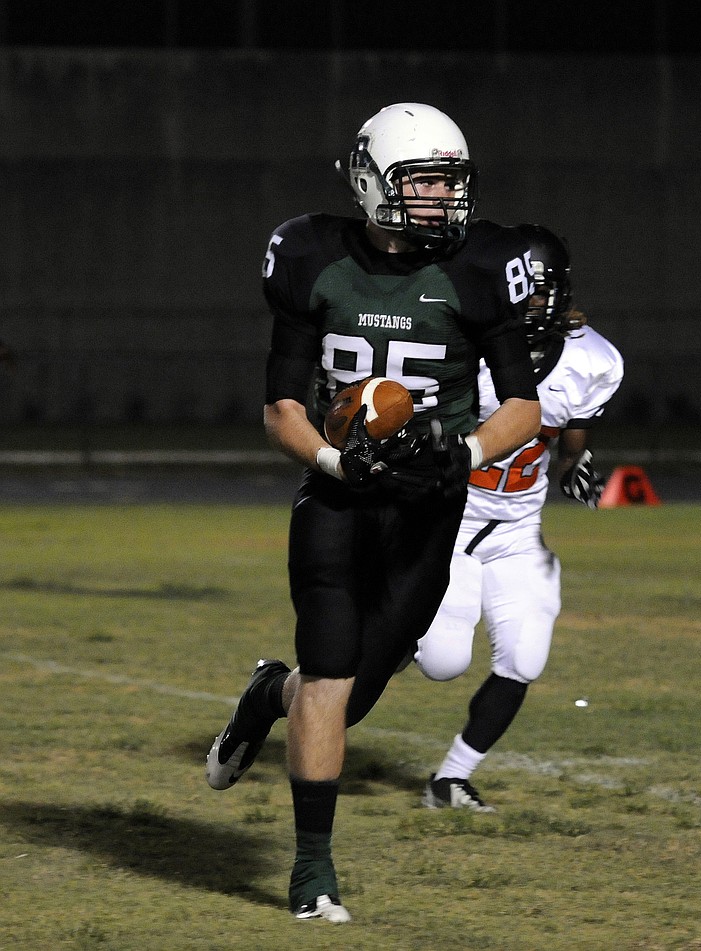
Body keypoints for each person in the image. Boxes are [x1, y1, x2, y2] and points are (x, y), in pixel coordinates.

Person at [205, 103, 541, 923]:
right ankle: (314, 873)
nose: (440, 200)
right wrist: (331, 458)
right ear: (371, 181)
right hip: (337, 494)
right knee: (327, 675)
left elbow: (523, 409)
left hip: (431, 503)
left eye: (448, 184)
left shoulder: (481, 264)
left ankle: (264, 696)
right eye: (423, 182)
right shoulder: (312, 254)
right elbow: (280, 405)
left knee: (347, 698)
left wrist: (460, 453)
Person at [414, 224, 624, 812]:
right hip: (450, 521)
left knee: (524, 658)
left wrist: (577, 465)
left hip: (517, 528)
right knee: (444, 663)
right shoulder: (462, 350)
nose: (530, 303)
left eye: (538, 291)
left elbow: (568, 440)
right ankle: (380, 633)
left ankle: (451, 780)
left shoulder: (592, 361)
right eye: (519, 290)